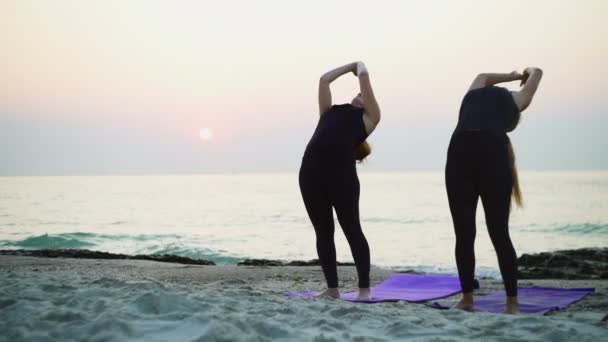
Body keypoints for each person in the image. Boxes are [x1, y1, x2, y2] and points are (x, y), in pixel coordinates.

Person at [445, 67, 543, 314]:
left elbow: (484, 76)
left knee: (470, 233)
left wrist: (515, 74)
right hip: (482, 156)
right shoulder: (517, 100)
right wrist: (527, 74)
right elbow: (538, 74)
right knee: (493, 232)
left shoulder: (478, 89)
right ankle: (508, 302)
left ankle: (473, 299)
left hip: (462, 154)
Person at [299, 61, 381, 301]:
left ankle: (364, 289)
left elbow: (365, 82)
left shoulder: (368, 119)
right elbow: (324, 80)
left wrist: (362, 67)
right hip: (310, 173)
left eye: (363, 95)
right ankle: (332, 288)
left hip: (341, 176)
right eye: (357, 94)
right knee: (323, 232)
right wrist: (350, 66)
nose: (359, 96)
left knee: (352, 229)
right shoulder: (329, 111)